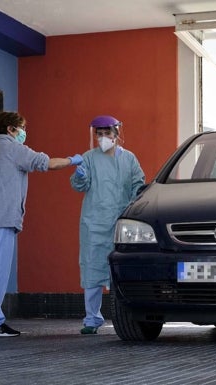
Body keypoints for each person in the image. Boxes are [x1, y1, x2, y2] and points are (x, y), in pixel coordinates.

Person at [0, 111, 83, 337]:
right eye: (21, 128)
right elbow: (46, 163)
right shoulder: (14, 149)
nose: (24, 133)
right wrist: (73, 160)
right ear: (10, 129)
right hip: (3, 219)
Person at [70, 115, 145, 334]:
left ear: (116, 134)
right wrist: (80, 175)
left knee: (119, 271)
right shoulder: (89, 158)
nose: (103, 138)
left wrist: (133, 210)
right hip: (94, 223)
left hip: (120, 222)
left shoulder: (129, 159)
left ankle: (122, 317)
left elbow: (138, 184)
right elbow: (79, 186)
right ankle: (92, 319)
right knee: (92, 269)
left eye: (107, 134)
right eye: (99, 134)